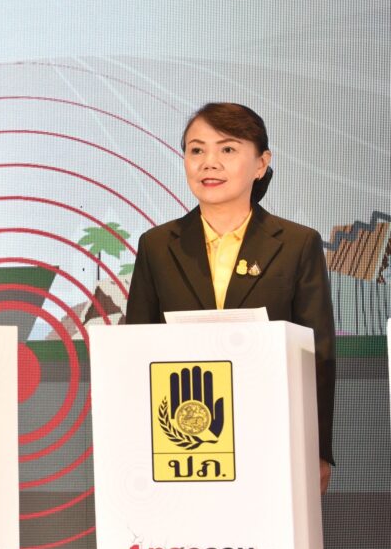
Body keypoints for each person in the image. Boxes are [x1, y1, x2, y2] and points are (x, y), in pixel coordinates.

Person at [126, 102, 335, 493]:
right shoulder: (156, 245)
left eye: (227, 149)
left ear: (261, 163)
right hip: (181, 445)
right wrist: (137, 446)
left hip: (272, 438)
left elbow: (317, 356)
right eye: (197, 150)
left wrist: (318, 449)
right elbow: (137, 348)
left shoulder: (297, 244)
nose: (209, 162)